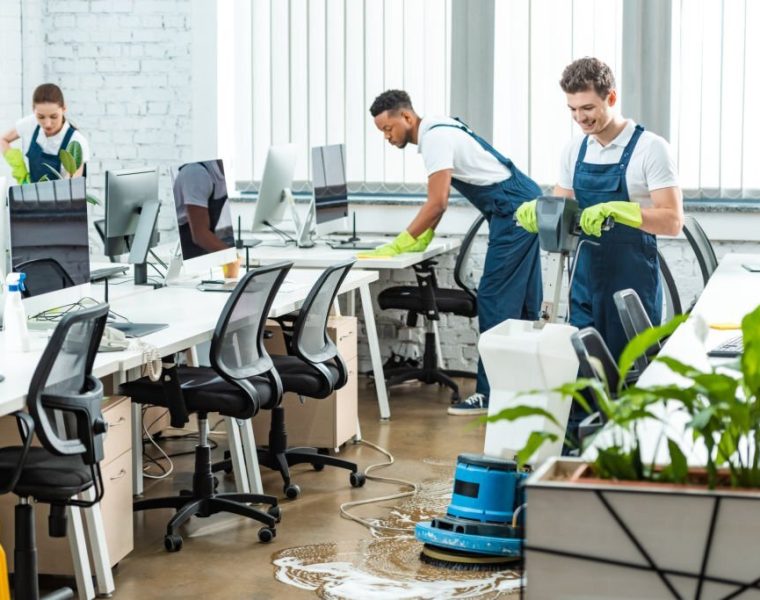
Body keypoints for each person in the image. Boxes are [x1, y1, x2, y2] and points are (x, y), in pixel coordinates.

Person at [367, 90, 543, 416]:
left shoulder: (434, 139)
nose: (387, 137)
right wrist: (424, 235)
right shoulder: (441, 129)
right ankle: (527, 388)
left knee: (495, 300)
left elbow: (437, 202)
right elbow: (440, 202)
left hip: (515, 211)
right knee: (524, 302)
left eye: (387, 128)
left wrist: (402, 241)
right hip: (522, 204)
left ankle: (491, 395)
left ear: (406, 118)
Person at [516, 57, 683, 360]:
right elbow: (563, 211)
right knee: (583, 370)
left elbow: (672, 221)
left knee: (629, 373)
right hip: (583, 277)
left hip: (631, 282)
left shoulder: (651, 148)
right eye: (573, 109)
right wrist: (541, 212)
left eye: (588, 108)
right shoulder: (574, 150)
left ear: (612, 98)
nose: (580, 118)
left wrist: (623, 212)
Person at [1, 83, 90, 183]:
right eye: (41, 117)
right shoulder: (30, 123)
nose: (47, 124)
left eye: (54, 116)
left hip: (62, 197)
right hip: (32, 195)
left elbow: (74, 188)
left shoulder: (76, 142)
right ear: (34, 110)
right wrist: (20, 171)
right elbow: (3, 139)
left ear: (64, 109)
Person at [173, 159, 236, 262]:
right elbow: (200, 235)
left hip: (203, 243)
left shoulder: (224, 174)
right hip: (187, 246)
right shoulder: (196, 173)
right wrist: (232, 259)